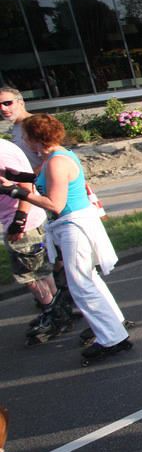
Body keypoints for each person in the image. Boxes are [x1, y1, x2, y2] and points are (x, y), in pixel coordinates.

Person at [0, 114, 131, 363]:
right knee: (88, 279)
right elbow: (38, 178)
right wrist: (14, 176)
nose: (22, 140)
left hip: (74, 225)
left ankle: (112, 339)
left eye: (24, 136)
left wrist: (14, 192)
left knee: (80, 286)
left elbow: (55, 204)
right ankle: (115, 324)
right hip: (74, 224)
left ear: (35, 139)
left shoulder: (56, 162)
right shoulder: (55, 156)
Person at [0, 139, 68, 346]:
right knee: (41, 272)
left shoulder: (2, 153)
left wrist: (19, 221)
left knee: (29, 276)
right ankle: (59, 312)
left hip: (22, 222)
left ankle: (54, 316)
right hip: (19, 219)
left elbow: (25, 185)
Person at [0, 86, 42, 170]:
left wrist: (27, 175)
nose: (3, 108)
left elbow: (51, 159)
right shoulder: (17, 126)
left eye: (7, 103)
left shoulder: (36, 124)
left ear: (21, 103)